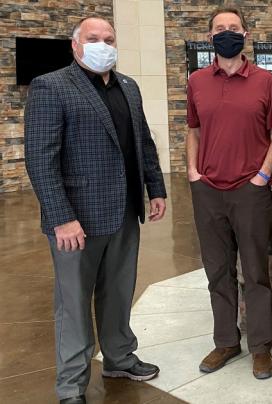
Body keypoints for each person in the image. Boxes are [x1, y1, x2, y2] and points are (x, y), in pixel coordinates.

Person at [24, 16, 167, 404]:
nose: (102, 44)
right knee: (73, 304)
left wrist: (156, 188)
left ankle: (119, 357)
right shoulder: (51, 86)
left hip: (124, 211)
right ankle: (71, 384)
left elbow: (144, 144)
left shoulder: (129, 87)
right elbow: (40, 159)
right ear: (75, 45)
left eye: (108, 38)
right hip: (77, 220)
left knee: (119, 293)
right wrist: (61, 217)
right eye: (93, 38)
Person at [186, 7, 272, 379]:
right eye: (219, 28)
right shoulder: (196, 81)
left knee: (256, 272)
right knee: (217, 271)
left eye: (234, 27)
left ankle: (261, 347)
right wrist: (193, 172)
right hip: (207, 190)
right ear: (210, 37)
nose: (227, 33)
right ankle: (226, 341)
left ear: (246, 34)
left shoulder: (265, 82)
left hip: (251, 189)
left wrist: (263, 175)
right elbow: (193, 131)